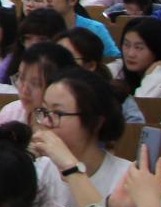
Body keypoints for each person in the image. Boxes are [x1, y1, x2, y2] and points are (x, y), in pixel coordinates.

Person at [33, 69, 134, 199]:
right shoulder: (39, 170)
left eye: (57, 113)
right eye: (45, 111)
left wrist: (70, 166)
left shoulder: (126, 178)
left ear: (95, 122)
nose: (46, 122)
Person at [116, 15, 161, 101]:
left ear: (157, 50)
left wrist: (154, 74)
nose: (130, 54)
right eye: (126, 45)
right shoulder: (117, 68)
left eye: (139, 47)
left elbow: (143, 106)